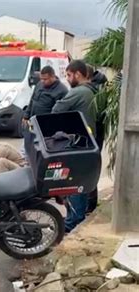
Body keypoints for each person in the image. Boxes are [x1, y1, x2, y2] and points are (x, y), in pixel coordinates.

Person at [52, 59, 98, 233]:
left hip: (79, 142)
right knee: (83, 181)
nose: (68, 79)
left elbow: (57, 109)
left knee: (74, 181)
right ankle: (77, 216)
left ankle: (73, 221)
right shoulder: (94, 90)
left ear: (78, 74)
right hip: (90, 141)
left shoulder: (79, 91)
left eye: (69, 75)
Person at [85, 65, 108, 215]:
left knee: (90, 168)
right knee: (91, 167)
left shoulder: (94, 88)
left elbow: (97, 111)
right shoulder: (101, 84)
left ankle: (91, 203)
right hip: (98, 131)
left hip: (95, 132)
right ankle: (91, 203)